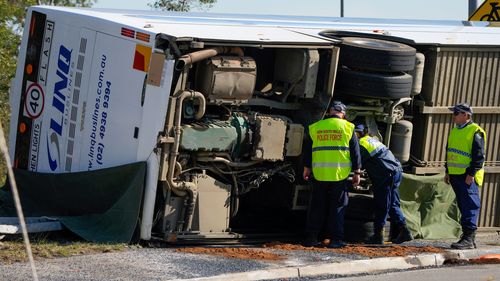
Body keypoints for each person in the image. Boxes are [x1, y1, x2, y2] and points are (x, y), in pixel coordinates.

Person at [302, 101, 361, 248]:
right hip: (339, 174)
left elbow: (308, 151)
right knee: (338, 207)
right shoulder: (348, 127)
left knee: (317, 206)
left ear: (330, 112)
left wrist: (306, 168)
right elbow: (355, 152)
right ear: (343, 114)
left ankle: (311, 238)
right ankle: (336, 240)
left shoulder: (316, 127)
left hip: (320, 173)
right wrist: (357, 172)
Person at [354, 124, 413, 244]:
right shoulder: (372, 140)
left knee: (382, 204)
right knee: (393, 204)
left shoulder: (361, 144)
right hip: (395, 172)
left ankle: (378, 235)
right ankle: (404, 231)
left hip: (385, 175)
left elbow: (356, 163)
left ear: (359, 134)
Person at [445, 103, 486, 249]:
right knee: (463, 205)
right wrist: (447, 171)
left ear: (466, 115)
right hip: (456, 174)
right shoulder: (455, 130)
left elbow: (479, 156)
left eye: (456, 113)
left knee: (470, 206)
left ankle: (469, 238)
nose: (453, 116)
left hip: (467, 176)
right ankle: (467, 237)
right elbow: (449, 151)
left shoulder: (475, 131)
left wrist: (471, 173)